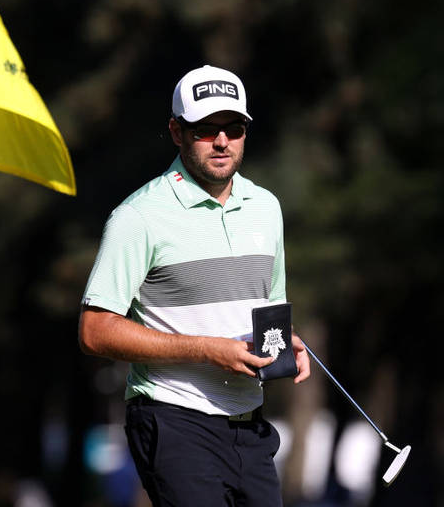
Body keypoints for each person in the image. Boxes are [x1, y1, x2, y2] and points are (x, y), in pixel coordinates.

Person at [79, 65, 311, 506]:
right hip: (173, 419)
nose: (222, 141)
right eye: (206, 130)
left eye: (234, 128)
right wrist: (208, 349)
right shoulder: (139, 217)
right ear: (176, 131)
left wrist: (284, 343)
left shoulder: (266, 207)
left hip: (249, 425)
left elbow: (268, 308)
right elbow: (95, 331)